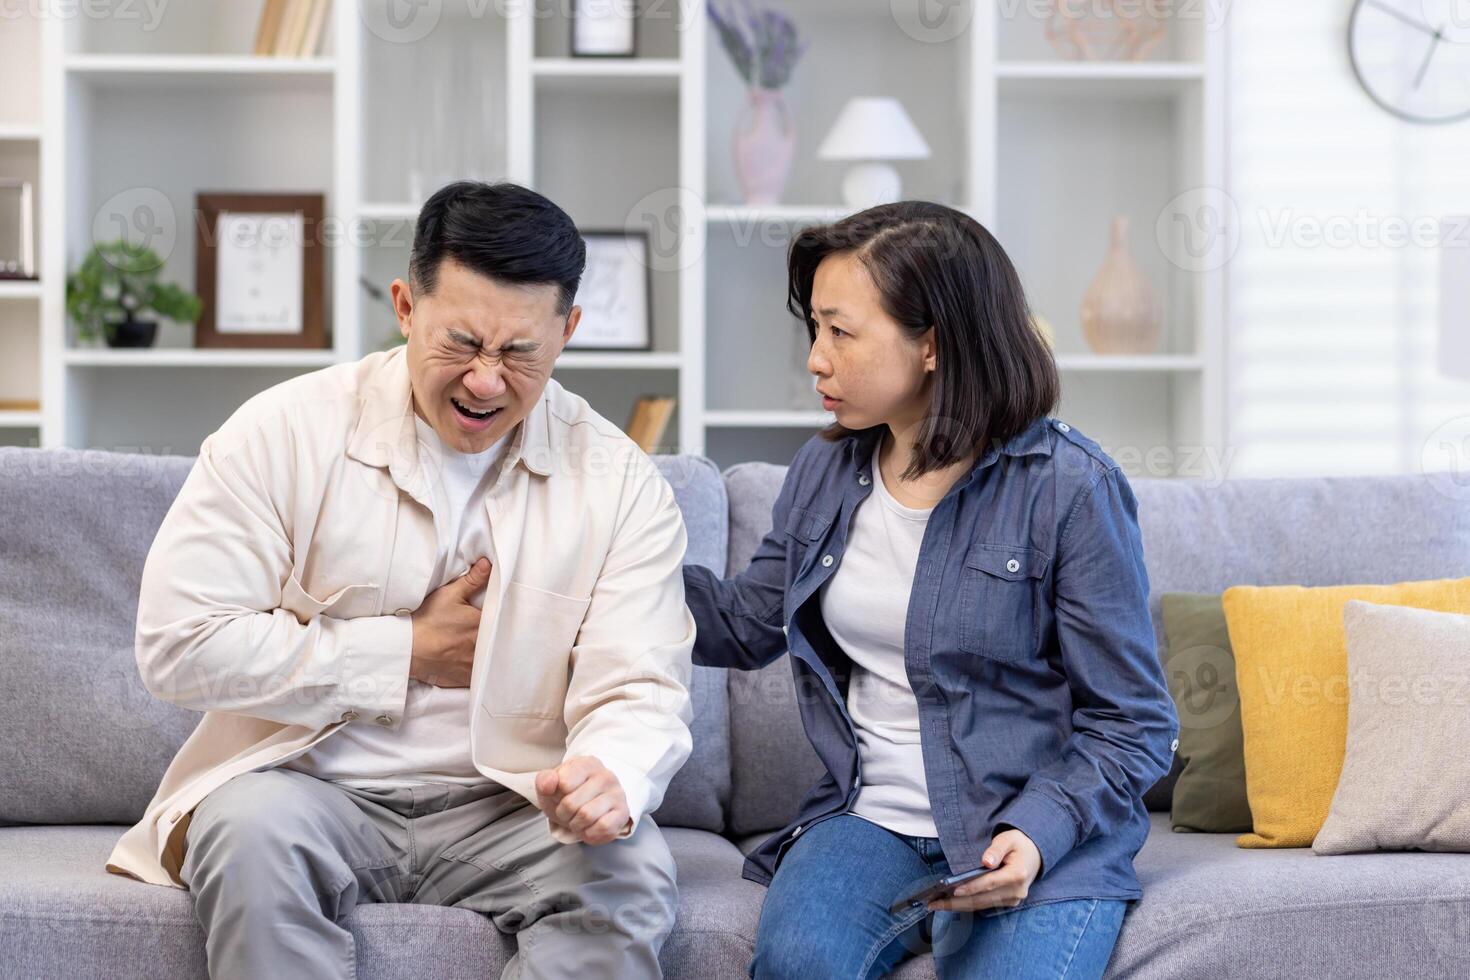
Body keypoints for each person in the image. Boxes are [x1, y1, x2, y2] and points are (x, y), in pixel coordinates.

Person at [105, 180, 696, 979]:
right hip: (306, 789)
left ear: (569, 332)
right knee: (244, 834)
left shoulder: (620, 481)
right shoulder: (282, 431)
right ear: (405, 308)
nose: (486, 381)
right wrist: (406, 651)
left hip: (511, 804)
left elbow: (641, 679)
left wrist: (612, 771)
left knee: (629, 873)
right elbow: (179, 645)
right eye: (462, 343)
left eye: (520, 352)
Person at [683, 201, 1180, 979]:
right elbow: (746, 622)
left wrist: (1040, 833)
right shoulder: (826, 470)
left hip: (1021, 830)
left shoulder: (1069, 489)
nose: (816, 358)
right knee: (797, 965)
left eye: (841, 332)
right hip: (868, 823)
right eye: (814, 328)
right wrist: (591, 573)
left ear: (932, 346)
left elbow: (1133, 723)